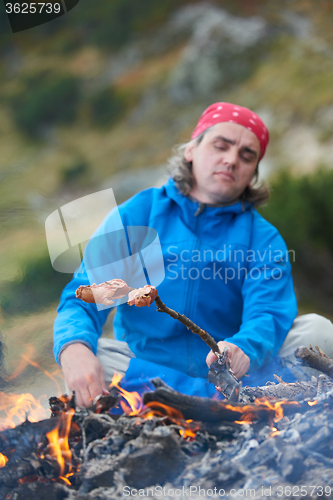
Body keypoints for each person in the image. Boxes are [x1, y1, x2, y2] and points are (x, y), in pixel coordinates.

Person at [54, 102, 333, 407]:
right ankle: (209, 403)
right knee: (90, 354)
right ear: (191, 150)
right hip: (150, 372)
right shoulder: (138, 214)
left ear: (253, 171)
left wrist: (245, 348)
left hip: (235, 378)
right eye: (220, 145)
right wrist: (73, 347)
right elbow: (84, 299)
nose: (231, 160)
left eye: (246, 155)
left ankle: (216, 401)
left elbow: (267, 313)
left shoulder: (263, 238)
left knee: (319, 331)